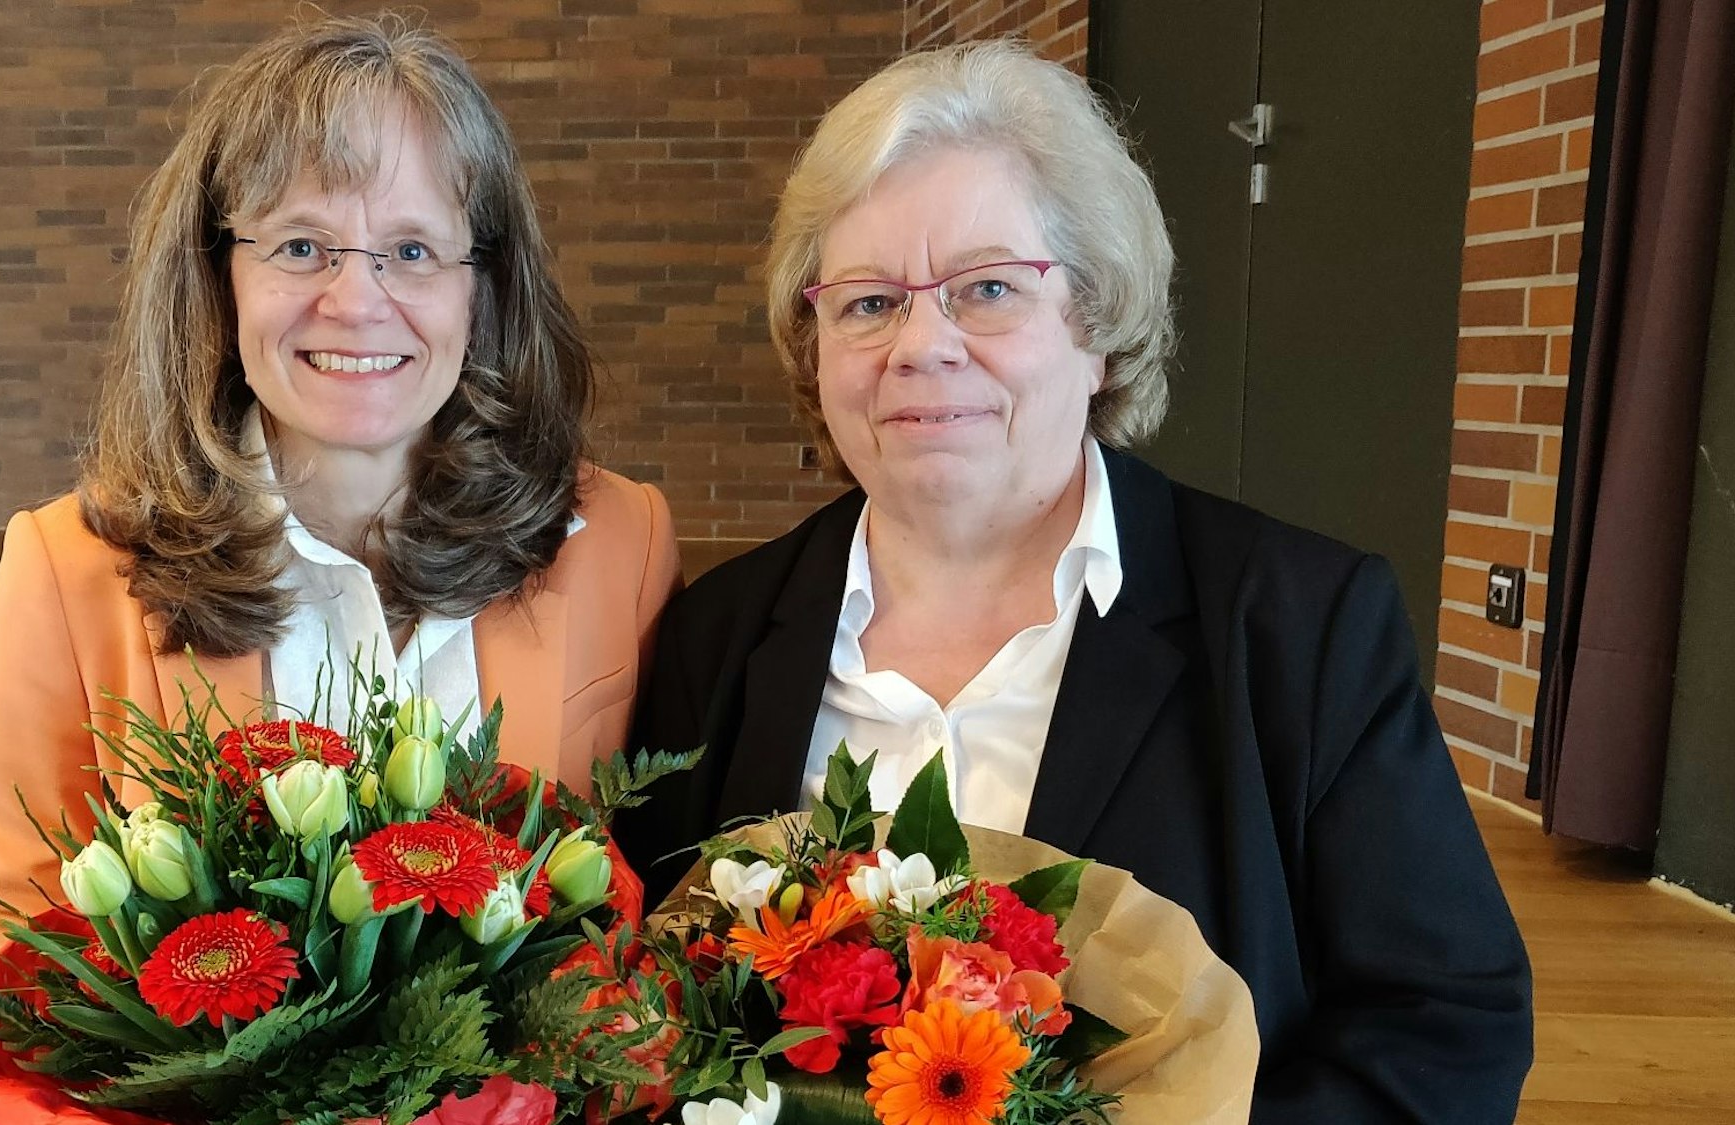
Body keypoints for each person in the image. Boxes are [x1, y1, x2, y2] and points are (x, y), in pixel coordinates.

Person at [620, 40, 1532, 1122]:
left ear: (1094, 326)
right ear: (809, 341)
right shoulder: (714, 638)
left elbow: (1443, 1023)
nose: (921, 346)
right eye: (867, 303)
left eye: (987, 289)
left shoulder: (1299, 626)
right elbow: (639, 1008)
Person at [0, 14, 679, 980]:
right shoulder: (69, 568)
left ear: (483, 287)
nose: (356, 300)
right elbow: (24, 943)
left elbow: (640, 914)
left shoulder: (621, 541)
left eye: (414, 250)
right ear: (217, 278)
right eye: (301, 246)